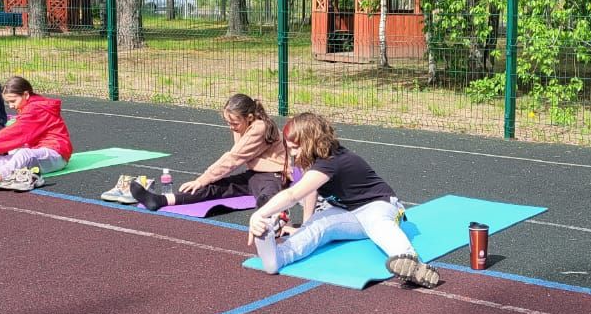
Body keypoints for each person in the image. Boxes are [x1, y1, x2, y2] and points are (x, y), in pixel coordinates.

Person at [247, 111, 440, 287]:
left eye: (296, 148)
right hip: (347, 212)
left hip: (380, 205)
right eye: (290, 148)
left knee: (378, 224)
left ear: (310, 142)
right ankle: (277, 258)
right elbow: (310, 191)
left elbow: (293, 194)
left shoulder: (330, 162)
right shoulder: (312, 159)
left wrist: (259, 214)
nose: (292, 153)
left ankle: (411, 262)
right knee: (318, 225)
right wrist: (305, 224)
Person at [127, 93, 288, 210]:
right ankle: (160, 200)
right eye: (228, 122)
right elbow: (236, 154)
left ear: (250, 117)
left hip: (273, 175)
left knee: (267, 194)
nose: (231, 127)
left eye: (234, 123)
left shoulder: (259, 128)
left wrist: (202, 179)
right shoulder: (243, 125)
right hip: (253, 175)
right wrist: (204, 182)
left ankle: (271, 214)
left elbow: (233, 158)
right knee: (214, 186)